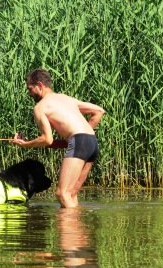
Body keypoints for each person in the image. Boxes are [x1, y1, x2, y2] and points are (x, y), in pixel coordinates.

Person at [10, 68, 105, 207]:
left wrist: (25, 144)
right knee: (71, 193)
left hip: (79, 142)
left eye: (30, 89)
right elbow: (99, 111)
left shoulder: (40, 107)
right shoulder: (65, 98)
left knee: (62, 194)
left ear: (40, 86)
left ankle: (69, 229)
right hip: (92, 142)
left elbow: (47, 139)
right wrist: (81, 136)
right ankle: (77, 227)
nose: (29, 93)